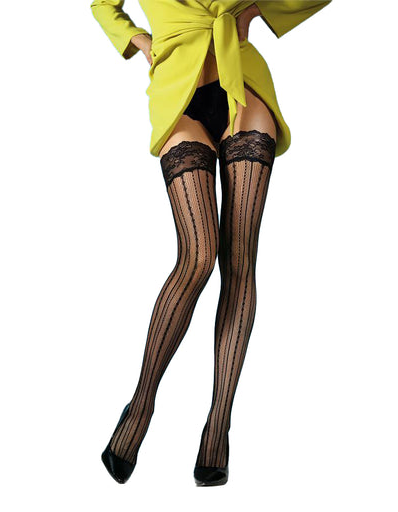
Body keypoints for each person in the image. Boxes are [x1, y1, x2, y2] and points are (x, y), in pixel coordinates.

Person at [90, 0, 332, 486]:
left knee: (239, 260)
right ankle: (141, 404)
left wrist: (257, 9)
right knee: (198, 257)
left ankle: (219, 422)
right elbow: (102, 4)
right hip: (178, 91)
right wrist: (138, 41)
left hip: (243, 84)